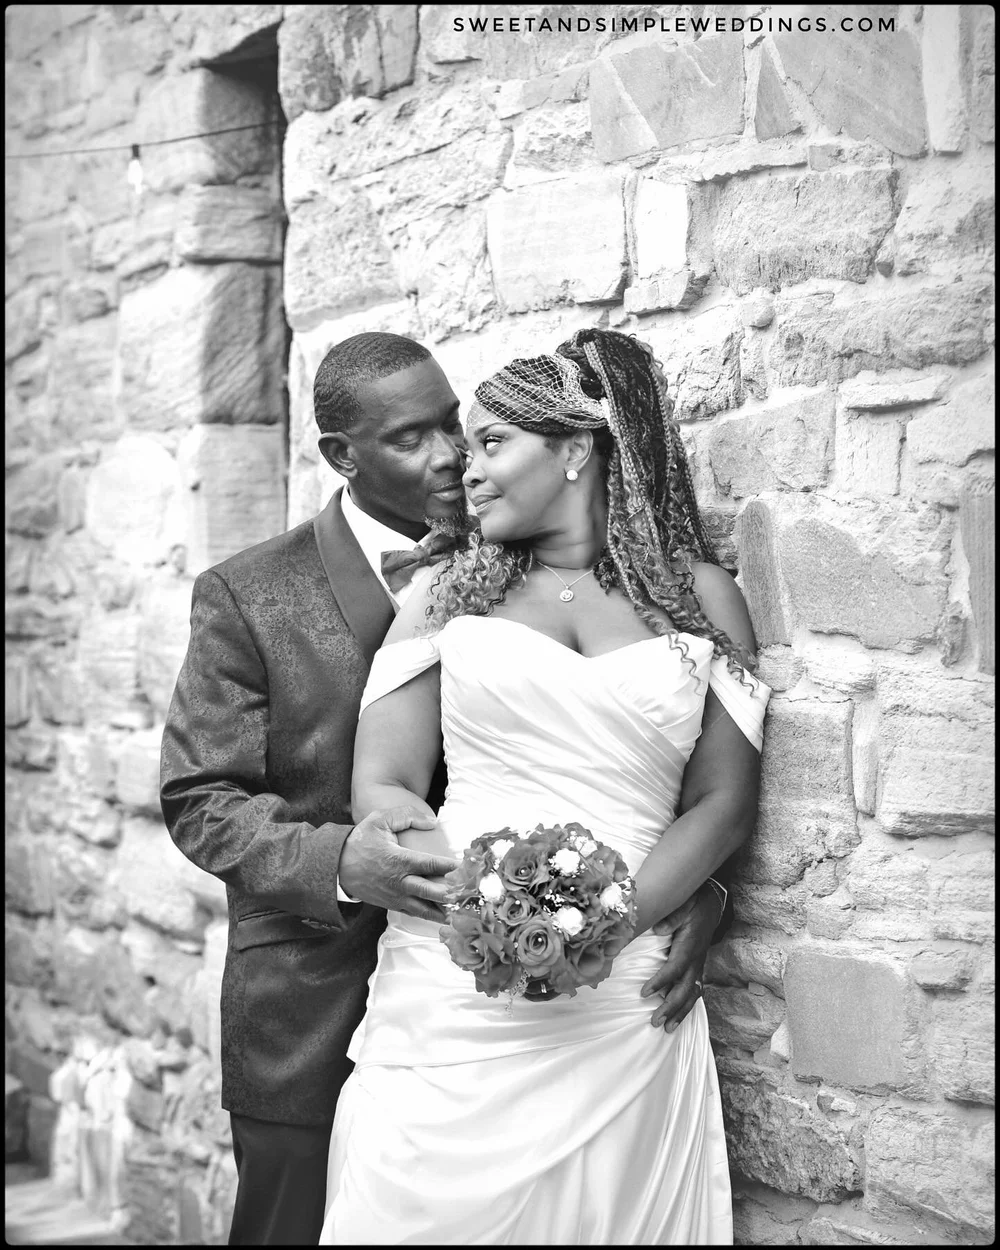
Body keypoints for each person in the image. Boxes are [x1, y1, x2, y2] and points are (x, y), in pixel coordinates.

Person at [160, 331, 726, 1245]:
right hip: (318, 992)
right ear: (342, 457)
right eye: (411, 438)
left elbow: (639, 765)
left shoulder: (533, 545)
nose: (451, 454)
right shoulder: (248, 593)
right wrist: (347, 858)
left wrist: (689, 891)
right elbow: (200, 800)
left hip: (560, 991)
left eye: (453, 426)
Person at [319, 328, 770, 1246]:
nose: (464, 471)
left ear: (575, 451)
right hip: (456, 973)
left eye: (491, 443)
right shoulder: (447, 590)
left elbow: (723, 801)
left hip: (627, 980)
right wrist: (484, 904)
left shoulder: (704, 597)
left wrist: (603, 925)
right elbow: (386, 780)